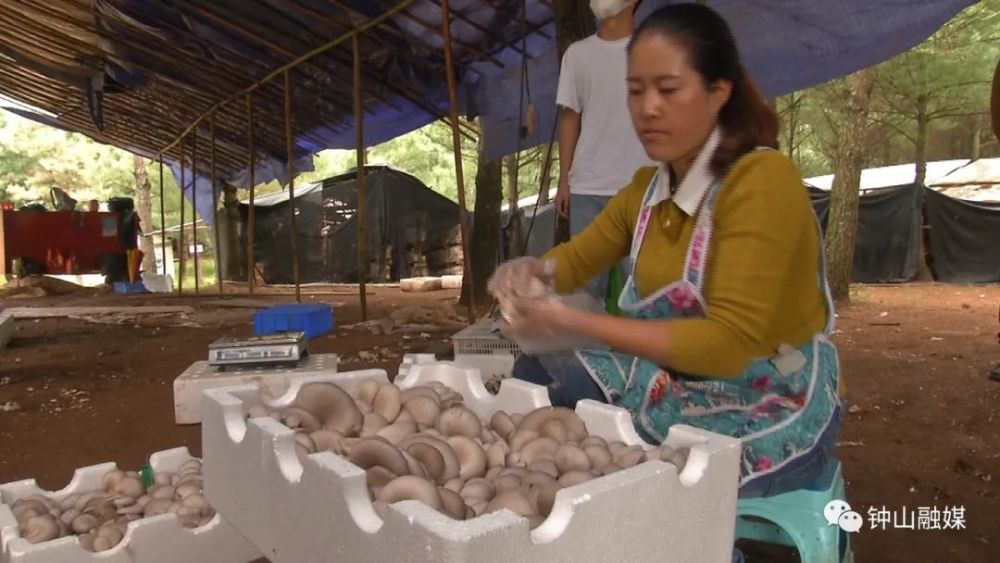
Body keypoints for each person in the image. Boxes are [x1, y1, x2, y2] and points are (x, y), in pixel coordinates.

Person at [490, 2, 844, 498]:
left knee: (668, 495)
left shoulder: (763, 182)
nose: (647, 108)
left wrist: (575, 322)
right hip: (681, 388)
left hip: (769, 403)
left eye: (669, 89)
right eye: (636, 91)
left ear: (719, 92)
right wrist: (528, 277)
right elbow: (574, 261)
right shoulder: (644, 192)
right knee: (540, 366)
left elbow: (727, 345)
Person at [554, 0, 652, 305]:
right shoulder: (577, 55)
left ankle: (647, 353)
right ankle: (587, 354)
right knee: (585, 294)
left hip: (644, 189)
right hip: (588, 189)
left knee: (646, 290)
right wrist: (565, 180)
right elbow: (570, 118)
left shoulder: (653, 50)